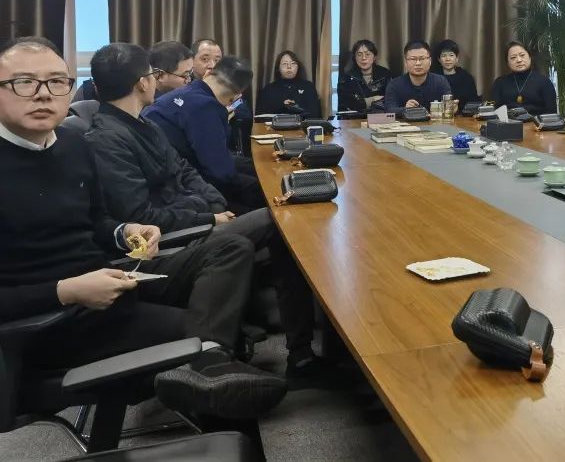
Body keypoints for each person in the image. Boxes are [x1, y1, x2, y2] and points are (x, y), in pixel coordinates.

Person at [0, 36, 285, 419]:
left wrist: (125, 231)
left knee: (229, 248)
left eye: (56, 82)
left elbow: (97, 221)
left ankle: (208, 368)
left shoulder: (72, 144)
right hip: (56, 320)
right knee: (204, 331)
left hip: (110, 279)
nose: (43, 94)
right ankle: (212, 372)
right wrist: (67, 291)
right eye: (24, 82)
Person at [85, 43, 342, 386]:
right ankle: (303, 354)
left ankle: (301, 348)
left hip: (195, 219)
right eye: (151, 75)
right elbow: (141, 215)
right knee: (284, 220)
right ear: (142, 83)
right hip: (169, 245)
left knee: (279, 220)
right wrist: (206, 217)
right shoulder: (107, 139)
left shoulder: (142, 124)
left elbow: (185, 171)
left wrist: (214, 205)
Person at [143, 55, 264, 212]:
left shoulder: (189, 91)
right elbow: (221, 172)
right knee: (262, 194)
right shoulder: (207, 108)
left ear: (209, 73)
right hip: (173, 192)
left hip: (155, 180)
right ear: (237, 95)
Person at [382, 41, 452, 114]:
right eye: (413, 59)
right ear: (405, 62)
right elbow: (389, 110)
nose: (418, 63)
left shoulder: (441, 81)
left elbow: (448, 107)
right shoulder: (394, 85)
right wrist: (405, 109)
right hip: (406, 121)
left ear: (430, 61)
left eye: (422, 59)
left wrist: (452, 108)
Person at [489, 41, 557, 115]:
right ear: (508, 63)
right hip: (507, 121)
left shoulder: (544, 82)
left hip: (536, 122)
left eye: (522, 55)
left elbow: (551, 113)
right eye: (513, 57)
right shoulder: (499, 83)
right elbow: (494, 111)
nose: (519, 60)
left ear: (530, 57)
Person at [256, 50, 321, 118]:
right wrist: (282, 106)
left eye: (293, 63)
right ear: (278, 68)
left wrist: (295, 108)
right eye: (285, 64)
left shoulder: (308, 87)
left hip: (302, 124)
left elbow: (315, 113)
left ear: (298, 67)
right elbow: (260, 115)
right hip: (275, 124)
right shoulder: (269, 89)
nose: (289, 67)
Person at [336, 39, 394, 114]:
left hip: (380, 116)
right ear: (355, 58)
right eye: (359, 55)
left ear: (374, 57)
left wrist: (362, 102)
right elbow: (346, 103)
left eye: (367, 54)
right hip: (355, 118)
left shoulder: (385, 74)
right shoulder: (346, 78)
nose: (363, 58)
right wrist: (372, 99)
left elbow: (391, 100)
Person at [431, 39, 480, 106]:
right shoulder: (433, 78)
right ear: (439, 59)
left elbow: (473, 102)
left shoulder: (466, 78)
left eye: (451, 55)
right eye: (444, 56)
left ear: (457, 58)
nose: (448, 59)